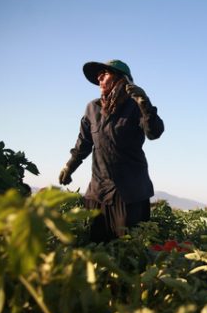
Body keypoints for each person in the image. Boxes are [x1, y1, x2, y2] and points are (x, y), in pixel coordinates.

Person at [58, 59, 164, 242]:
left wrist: (144, 103)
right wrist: (69, 166)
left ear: (122, 80)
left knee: (128, 249)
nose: (99, 78)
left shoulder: (135, 106)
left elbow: (154, 132)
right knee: (95, 246)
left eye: (105, 74)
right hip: (98, 192)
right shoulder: (92, 108)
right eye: (98, 76)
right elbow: (83, 143)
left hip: (129, 193)